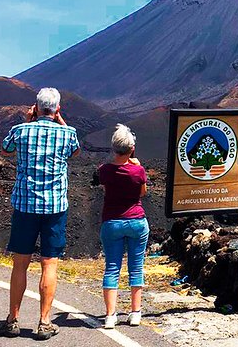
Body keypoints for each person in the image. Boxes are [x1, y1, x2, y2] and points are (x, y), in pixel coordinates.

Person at [0, 87, 80, 340]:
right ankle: (44, 322)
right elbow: (76, 152)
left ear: (35, 107)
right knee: (49, 264)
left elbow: (5, 148)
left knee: (20, 264)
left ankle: (13, 319)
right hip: (55, 208)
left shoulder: (21, 131)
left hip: (25, 206)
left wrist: (27, 120)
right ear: (57, 109)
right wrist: (60, 119)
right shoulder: (68, 133)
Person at [97, 124, 149, 329]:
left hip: (112, 222)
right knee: (136, 267)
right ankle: (135, 313)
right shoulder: (138, 171)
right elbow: (142, 193)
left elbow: (105, 188)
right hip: (136, 221)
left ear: (113, 148)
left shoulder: (104, 171)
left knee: (112, 268)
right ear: (132, 149)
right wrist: (137, 166)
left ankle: (110, 316)